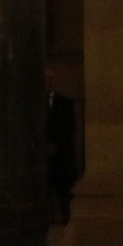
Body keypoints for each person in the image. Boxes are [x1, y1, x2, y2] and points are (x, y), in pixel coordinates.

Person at [47, 68, 79, 226]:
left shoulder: (65, 102)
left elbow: (69, 127)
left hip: (61, 156)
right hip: (42, 157)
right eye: (47, 78)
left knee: (63, 194)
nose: (49, 82)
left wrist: (56, 144)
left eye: (51, 78)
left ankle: (66, 222)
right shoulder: (34, 104)